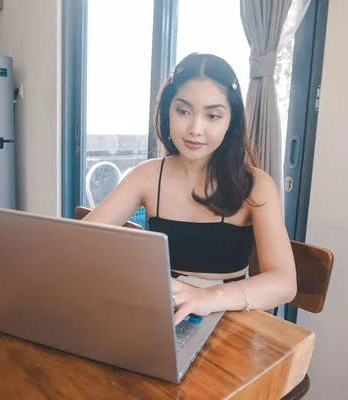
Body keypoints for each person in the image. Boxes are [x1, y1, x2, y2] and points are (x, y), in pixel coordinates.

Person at [83, 53, 296, 325]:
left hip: (229, 319)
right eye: (183, 111)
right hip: (165, 315)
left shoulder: (256, 185)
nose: (195, 129)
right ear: (167, 112)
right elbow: (80, 242)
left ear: (231, 122)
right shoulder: (146, 176)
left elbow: (284, 282)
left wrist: (207, 297)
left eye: (213, 115)